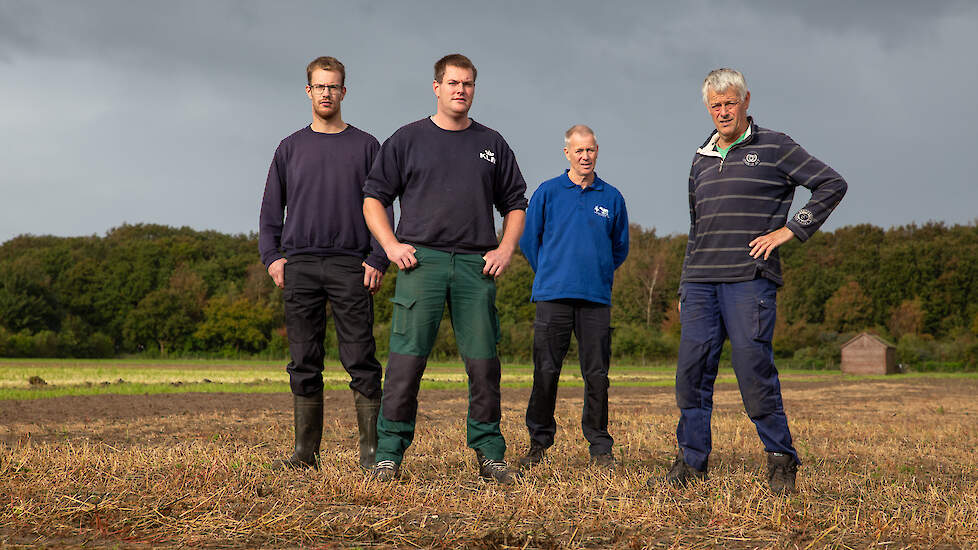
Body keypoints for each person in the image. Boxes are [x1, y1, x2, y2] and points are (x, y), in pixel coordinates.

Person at [658, 68, 847, 493]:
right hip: (701, 283)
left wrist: (790, 230)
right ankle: (691, 462)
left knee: (752, 368)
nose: (723, 111)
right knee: (691, 373)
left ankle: (781, 459)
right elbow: (697, 226)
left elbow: (831, 184)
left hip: (749, 281)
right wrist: (685, 287)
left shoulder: (776, 146)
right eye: (715, 105)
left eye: (730, 102)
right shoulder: (700, 158)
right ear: (708, 109)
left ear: (746, 101)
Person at [362, 53, 528, 483]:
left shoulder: (492, 143)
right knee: (405, 363)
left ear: (474, 89)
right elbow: (373, 198)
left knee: (483, 365)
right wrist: (390, 244)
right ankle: (388, 455)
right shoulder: (407, 139)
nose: (461, 90)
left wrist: (506, 248)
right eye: (453, 83)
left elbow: (514, 203)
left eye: (468, 84)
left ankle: (490, 454)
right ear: (436, 87)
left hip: (477, 265)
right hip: (423, 263)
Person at [259, 56, 392, 470]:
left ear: (344, 92)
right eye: (320, 86)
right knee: (303, 358)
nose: (327, 93)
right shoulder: (289, 147)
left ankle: (371, 455)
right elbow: (269, 210)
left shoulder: (367, 146)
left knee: (360, 358)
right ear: (308, 91)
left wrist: (378, 256)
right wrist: (272, 257)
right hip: (299, 264)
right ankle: (305, 455)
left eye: (333, 86)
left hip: (351, 264)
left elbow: (383, 205)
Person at [517, 125, 629, 469]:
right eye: (578, 151)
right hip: (553, 296)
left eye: (590, 150)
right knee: (546, 371)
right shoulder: (548, 192)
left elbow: (619, 248)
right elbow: (527, 241)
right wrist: (551, 271)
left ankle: (600, 447)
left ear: (597, 152)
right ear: (567, 153)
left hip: (595, 299)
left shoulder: (611, 197)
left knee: (596, 374)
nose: (585, 156)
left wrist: (596, 274)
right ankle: (538, 443)